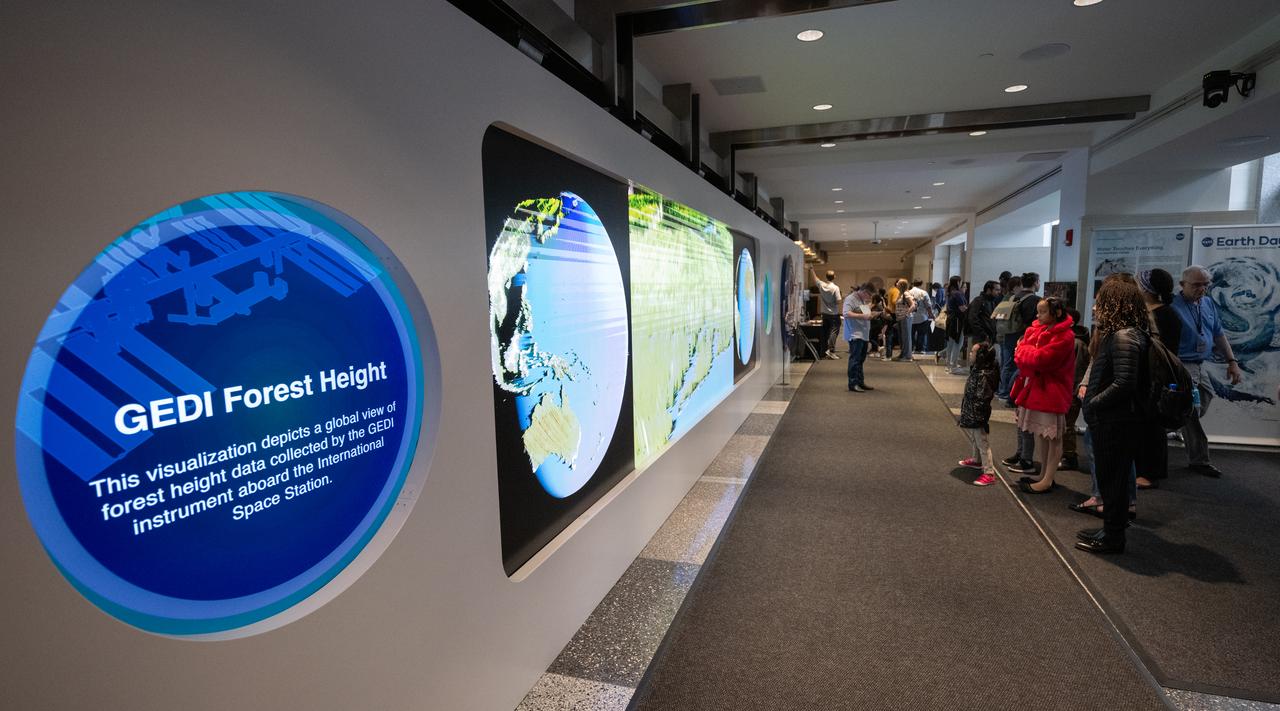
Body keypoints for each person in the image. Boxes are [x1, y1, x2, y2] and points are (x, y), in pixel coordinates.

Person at [1077, 278, 1152, 555]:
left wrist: (1094, 403)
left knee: (1115, 479)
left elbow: (1124, 383)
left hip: (1117, 421)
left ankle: (1113, 537)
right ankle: (1111, 530)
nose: (1096, 306)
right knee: (1112, 479)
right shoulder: (1125, 334)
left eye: (1100, 301)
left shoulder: (1124, 336)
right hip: (1113, 419)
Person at [1169, 265, 1242, 478]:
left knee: (1196, 407)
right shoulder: (1172, 306)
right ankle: (1199, 460)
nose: (1201, 289)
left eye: (1205, 284)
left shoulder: (1208, 303)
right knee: (1190, 411)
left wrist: (1232, 361)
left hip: (1200, 364)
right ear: (1182, 285)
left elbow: (1219, 334)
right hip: (1181, 365)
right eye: (1196, 285)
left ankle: (1163, 428)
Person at [1012, 296, 1076, 494]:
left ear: (1055, 312)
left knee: (1053, 436)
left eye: (1042, 312)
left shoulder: (1065, 336)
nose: (1038, 315)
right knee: (1042, 433)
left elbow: (1041, 359)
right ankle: (1043, 475)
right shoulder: (1040, 330)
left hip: (1052, 391)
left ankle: (1048, 479)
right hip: (1038, 389)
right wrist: (1025, 352)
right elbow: (1022, 356)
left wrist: (1023, 350)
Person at [1134, 268, 1182, 488]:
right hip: (1143, 373)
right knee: (1141, 424)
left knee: (1152, 425)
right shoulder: (1148, 311)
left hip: (1156, 376)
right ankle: (1140, 467)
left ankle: (1151, 472)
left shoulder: (1165, 315)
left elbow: (1165, 351)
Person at [957, 342, 1000, 486]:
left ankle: (989, 472)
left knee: (982, 441)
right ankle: (976, 460)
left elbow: (982, 397)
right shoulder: (977, 370)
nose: (970, 353)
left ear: (980, 356)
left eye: (973, 352)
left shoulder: (984, 375)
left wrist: (976, 414)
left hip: (978, 413)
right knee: (975, 437)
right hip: (972, 411)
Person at [1058, 308, 1091, 471]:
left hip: (1071, 390)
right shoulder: (1077, 340)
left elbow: (1076, 370)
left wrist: (1073, 391)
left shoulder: (1076, 343)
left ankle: (1069, 456)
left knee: (1067, 424)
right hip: (1068, 389)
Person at [843, 283, 876, 392]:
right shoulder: (850, 299)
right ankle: (853, 383)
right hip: (855, 334)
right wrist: (863, 316)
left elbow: (867, 315)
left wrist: (872, 315)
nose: (870, 298)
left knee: (861, 360)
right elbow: (846, 313)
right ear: (864, 292)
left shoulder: (862, 300)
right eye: (869, 295)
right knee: (855, 359)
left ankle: (860, 382)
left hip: (863, 333)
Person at [943, 275, 968, 373]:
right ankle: (953, 366)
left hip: (951, 320)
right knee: (958, 343)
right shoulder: (958, 294)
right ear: (958, 282)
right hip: (957, 321)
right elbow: (962, 308)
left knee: (951, 343)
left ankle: (949, 364)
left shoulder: (950, 293)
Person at [966, 280, 1001, 346]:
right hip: (981, 337)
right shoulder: (978, 301)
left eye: (999, 290)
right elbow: (972, 319)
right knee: (979, 355)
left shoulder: (992, 302)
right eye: (997, 290)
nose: (999, 292)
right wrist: (982, 334)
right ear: (989, 290)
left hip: (990, 337)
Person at [892, 279, 916, 362]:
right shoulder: (900, 294)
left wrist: (907, 314)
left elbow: (913, 305)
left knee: (906, 337)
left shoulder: (906, 293)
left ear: (901, 285)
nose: (896, 284)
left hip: (905, 318)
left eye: (898, 283)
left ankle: (907, 356)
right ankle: (903, 354)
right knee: (902, 337)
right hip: (900, 318)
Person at [908, 279, 934, 354]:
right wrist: (931, 315)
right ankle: (919, 350)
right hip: (922, 317)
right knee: (921, 335)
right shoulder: (923, 293)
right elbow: (928, 306)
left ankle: (911, 349)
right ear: (921, 284)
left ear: (913, 284)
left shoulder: (908, 293)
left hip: (911, 317)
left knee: (911, 335)